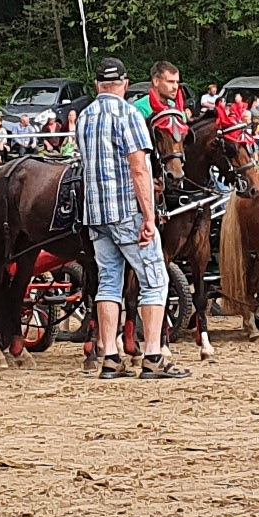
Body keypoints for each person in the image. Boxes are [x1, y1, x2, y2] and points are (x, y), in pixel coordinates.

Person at [75, 58, 186, 380]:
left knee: (109, 282)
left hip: (95, 213)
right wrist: (149, 217)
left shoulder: (85, 117)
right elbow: (139, 168)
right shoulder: (129, 114)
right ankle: (153, 355)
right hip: (127, 212)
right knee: (155, 281)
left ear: (97, 85)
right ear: (124, 84)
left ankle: (109, 355)